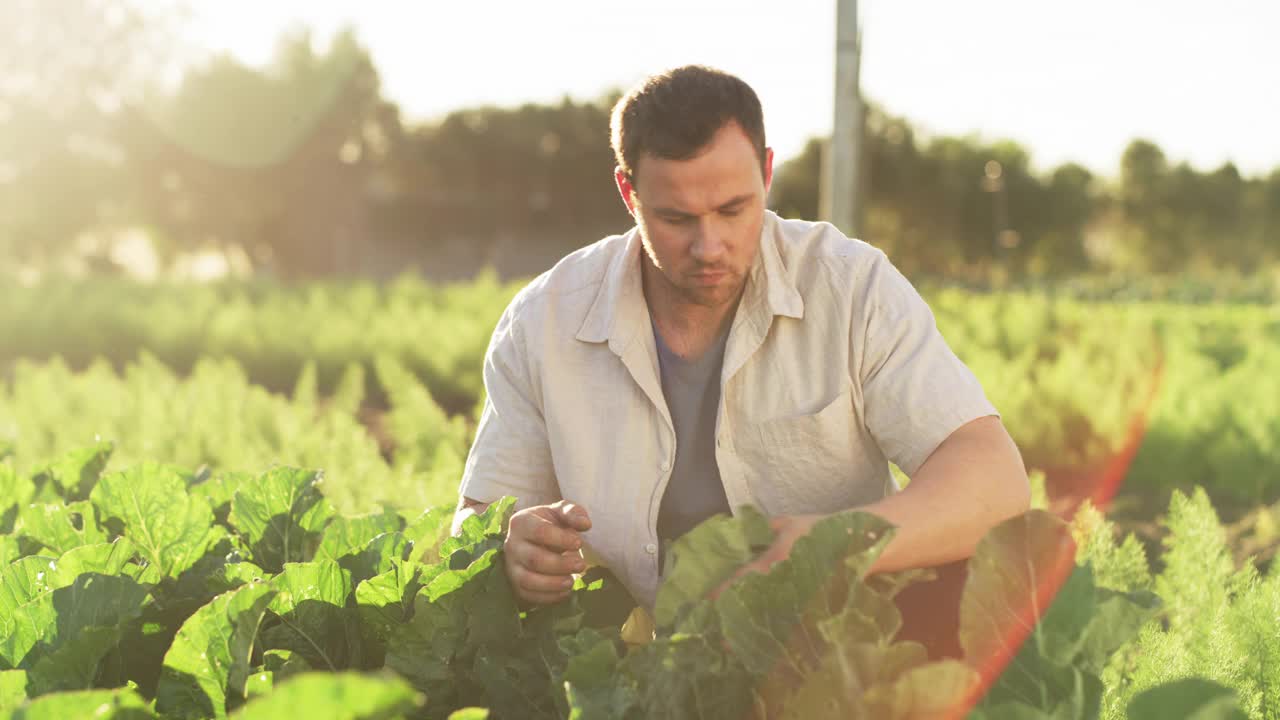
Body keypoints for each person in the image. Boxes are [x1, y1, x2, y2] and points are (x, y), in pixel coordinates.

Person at [451, 65, 1030, 622]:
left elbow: (992, 480)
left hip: (829, 651)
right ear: (629, 192)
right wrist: (513, 550)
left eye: (733, 210)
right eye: (677, 218)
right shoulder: (543, 320)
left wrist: (831, 545)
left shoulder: (851, 287)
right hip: (623, 670)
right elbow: (479, 526)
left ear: (767, 173)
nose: (710, 246)